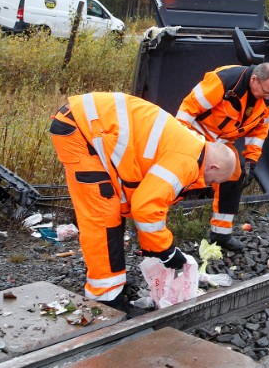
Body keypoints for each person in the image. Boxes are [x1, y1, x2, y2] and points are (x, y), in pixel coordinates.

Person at [48, 92, 236, 310]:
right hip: (81, 130)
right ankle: (106, 298)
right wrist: (166, 252)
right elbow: (146, 208)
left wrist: (153, 248)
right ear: (214, 167)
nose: (204, 183)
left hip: (89, 127)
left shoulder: (193, 146)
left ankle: (114, 287)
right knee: (103, 218)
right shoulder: (187, 162)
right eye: (210, 180)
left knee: (112, 211)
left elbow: (141, 194)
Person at [176, 62, 269, 252]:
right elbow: (187, 110)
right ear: (254, 79)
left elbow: (259, 132)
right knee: (181, 178)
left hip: (223, 142)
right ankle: (154, 226)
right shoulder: (224, 81)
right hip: (196, 134)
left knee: (236, 175)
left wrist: (251, 160)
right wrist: (182, 144)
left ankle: (220, 234)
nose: (268, 97)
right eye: (266, 92)